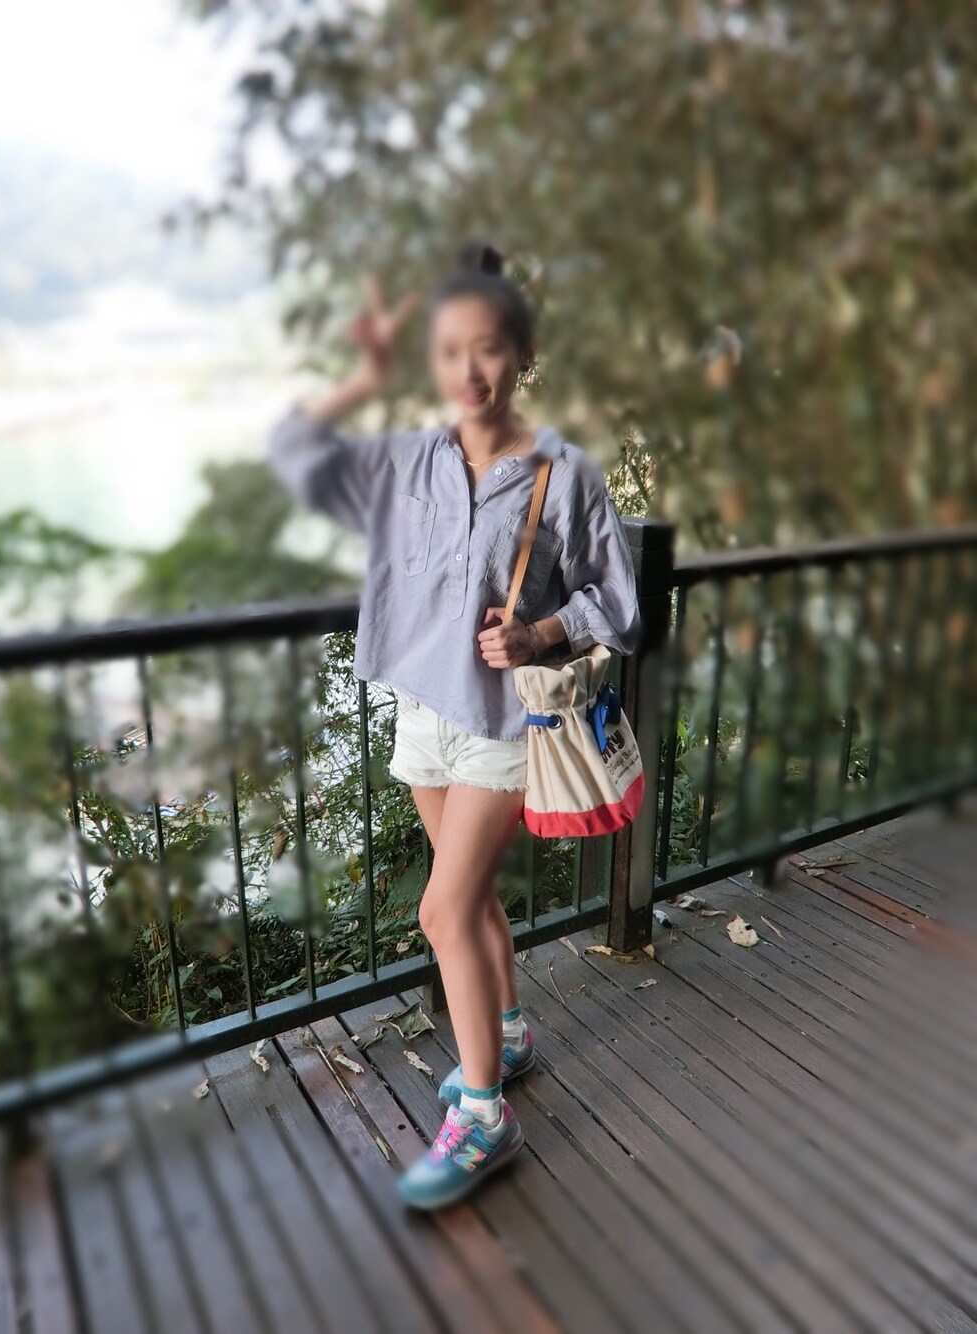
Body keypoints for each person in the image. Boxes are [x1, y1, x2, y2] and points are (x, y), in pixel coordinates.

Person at [268, 243, 641, 1210]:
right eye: (447, 351)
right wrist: (361, 376)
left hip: (502, 726)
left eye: (488, 347)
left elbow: (620, 604)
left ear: (522, 352)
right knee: (467, 902)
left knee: (441, 910)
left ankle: (483, 1114)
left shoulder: (563, 474)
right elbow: (296, 454)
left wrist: (541, 632)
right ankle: (507, 1036)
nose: (468, 371)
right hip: (423, 709)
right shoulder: (406, 461)